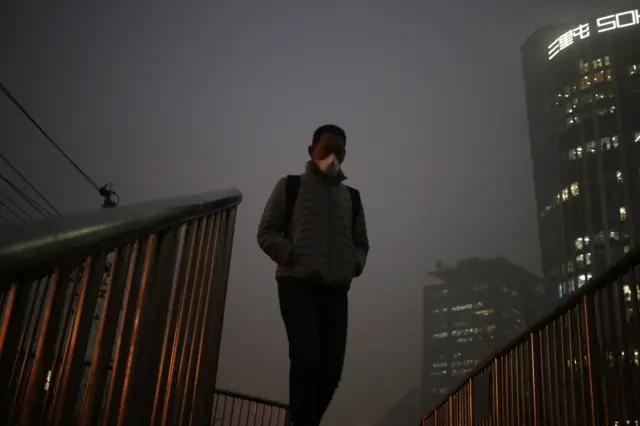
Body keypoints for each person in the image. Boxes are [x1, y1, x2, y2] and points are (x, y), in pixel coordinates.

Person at [257, 124, 370, 426]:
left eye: (339, 152)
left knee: (331, 372)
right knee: (307, 358)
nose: (332, 157)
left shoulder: (352, 198)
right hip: (297, 284)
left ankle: (300, 422)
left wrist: (353, 265)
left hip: (335, 289)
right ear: (311, 151)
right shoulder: (290, 186)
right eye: (326, 150)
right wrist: (292, 255)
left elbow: (361, 244)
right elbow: (266, 232)